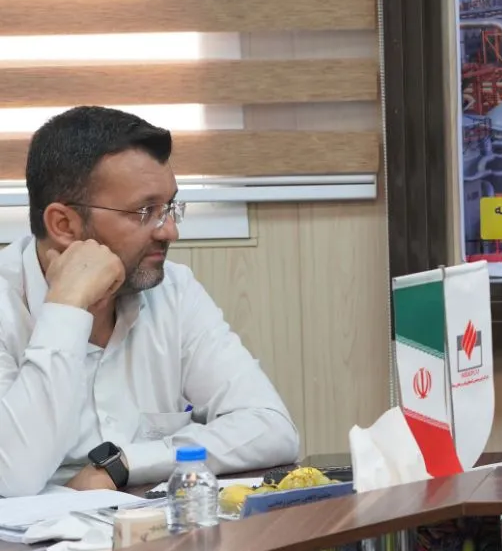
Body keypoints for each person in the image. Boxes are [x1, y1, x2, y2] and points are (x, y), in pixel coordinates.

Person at [0, 107, 299, 497]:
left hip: (151, 525)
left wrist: (123, 464)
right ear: (63, 225)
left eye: (170, 207)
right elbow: (12, 479)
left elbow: (271, 427)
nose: (170, 231)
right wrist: (67, 306)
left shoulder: (174, 290)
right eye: (145, 212)